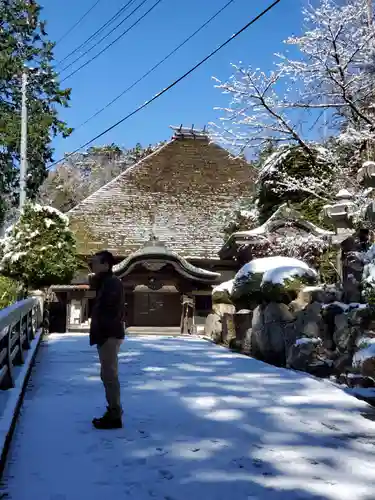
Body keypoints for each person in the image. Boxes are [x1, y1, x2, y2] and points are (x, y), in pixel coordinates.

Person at [89, 250, 125, 430]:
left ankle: (114, 414)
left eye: (95, 262)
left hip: (108, 334)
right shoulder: (105, 282)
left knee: (109, 375)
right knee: (107, 374)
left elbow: (109, 310)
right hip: (106, 333)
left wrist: (102, 330)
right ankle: (113, 411)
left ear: (106, 265)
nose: (92, 265)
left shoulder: (111, 283)